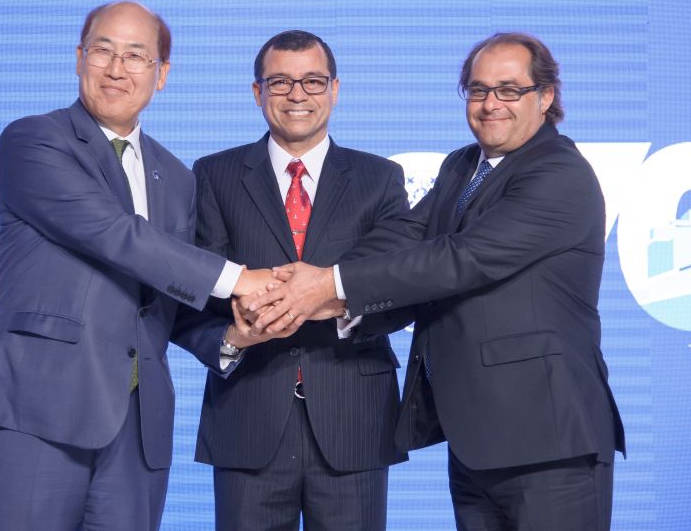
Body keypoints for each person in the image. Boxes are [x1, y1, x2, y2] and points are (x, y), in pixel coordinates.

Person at [246, 32, 626, 531]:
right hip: (478, 441)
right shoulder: (463, 165)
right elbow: (404, 235)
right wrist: (309, 281)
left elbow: (460, 259)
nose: (491, 104)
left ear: (546, 96)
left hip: (549, 444)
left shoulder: (559, 174)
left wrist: (327, 285)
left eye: (509, 90)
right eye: (478, 90)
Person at [0, 1, 270, 531]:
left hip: (137, 427)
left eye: (135, 56)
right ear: (79, 58)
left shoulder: (176, 177)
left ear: (161, 74)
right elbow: (114, 234)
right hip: (36, 409)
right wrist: (239, 278)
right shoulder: (35, 140)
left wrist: (232, 338)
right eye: (102, 51)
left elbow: (166, 299)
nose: (116, 69)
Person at [171, 30, 410, 531]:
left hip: (354, 419)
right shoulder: (213, 175)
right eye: (280, 81)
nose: (297, 94)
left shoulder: (380, 178)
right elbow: (190, 289)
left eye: (312, 81)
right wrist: (233, 337)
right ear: (257, 91)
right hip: (247, 417)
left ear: (335, 89)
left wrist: (330, 303)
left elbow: (398, 288)